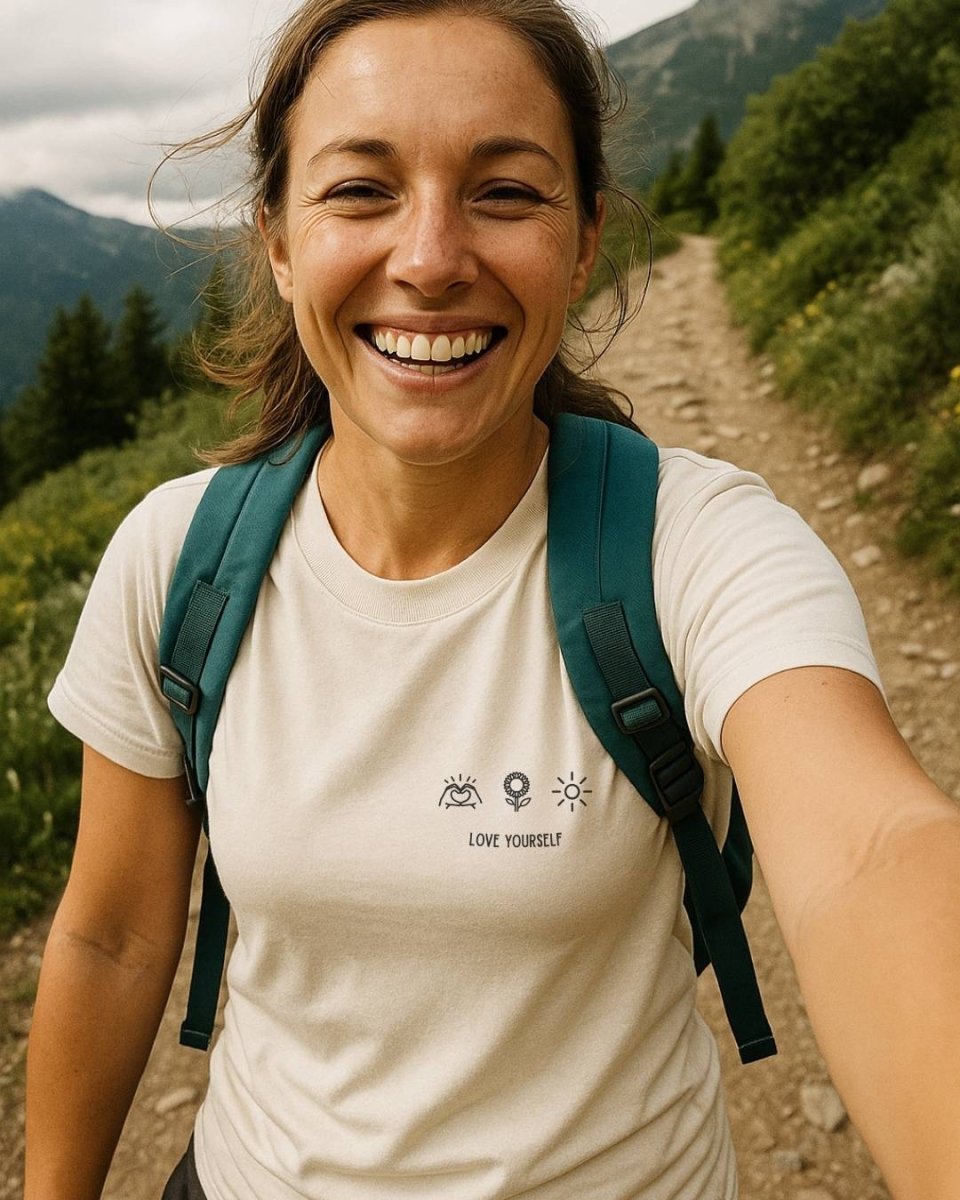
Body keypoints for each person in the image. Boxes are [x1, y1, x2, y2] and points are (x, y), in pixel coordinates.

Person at [23, 1, 960, 1198]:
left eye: (506, 193)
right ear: (279, 240)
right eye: (360, 191)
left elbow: (871, 852)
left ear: (584, 242)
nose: (429, 259)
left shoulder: (697, 546)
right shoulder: (177, 558)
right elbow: (109, 935)